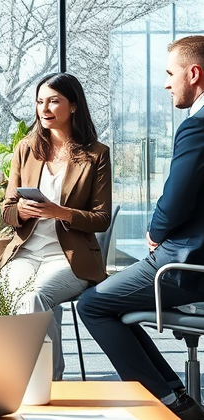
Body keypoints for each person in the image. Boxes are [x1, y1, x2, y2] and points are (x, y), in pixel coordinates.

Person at [77, 35, 204, 420]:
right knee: (111, 302)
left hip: (185, 266)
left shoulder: (197, 127)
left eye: (170, 74)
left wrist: (155, 232)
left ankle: (168, 403)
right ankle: (175, 395)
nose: (166, 84)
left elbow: (176, 196)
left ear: (194, 73)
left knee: (93, 304)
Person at [0, 72, 112, 381]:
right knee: (17, 295)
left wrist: (59, 212)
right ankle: (37, 378)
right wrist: (21, 210)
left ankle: (45, 380)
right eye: (39, 102)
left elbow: (102, 218)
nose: (44, 109)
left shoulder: (96, 154)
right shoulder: (26, 149)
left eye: (53, 101)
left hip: (69, 257)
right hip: (25, 253)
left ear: (73, 106)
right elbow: (7, 211)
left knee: (35, 297)